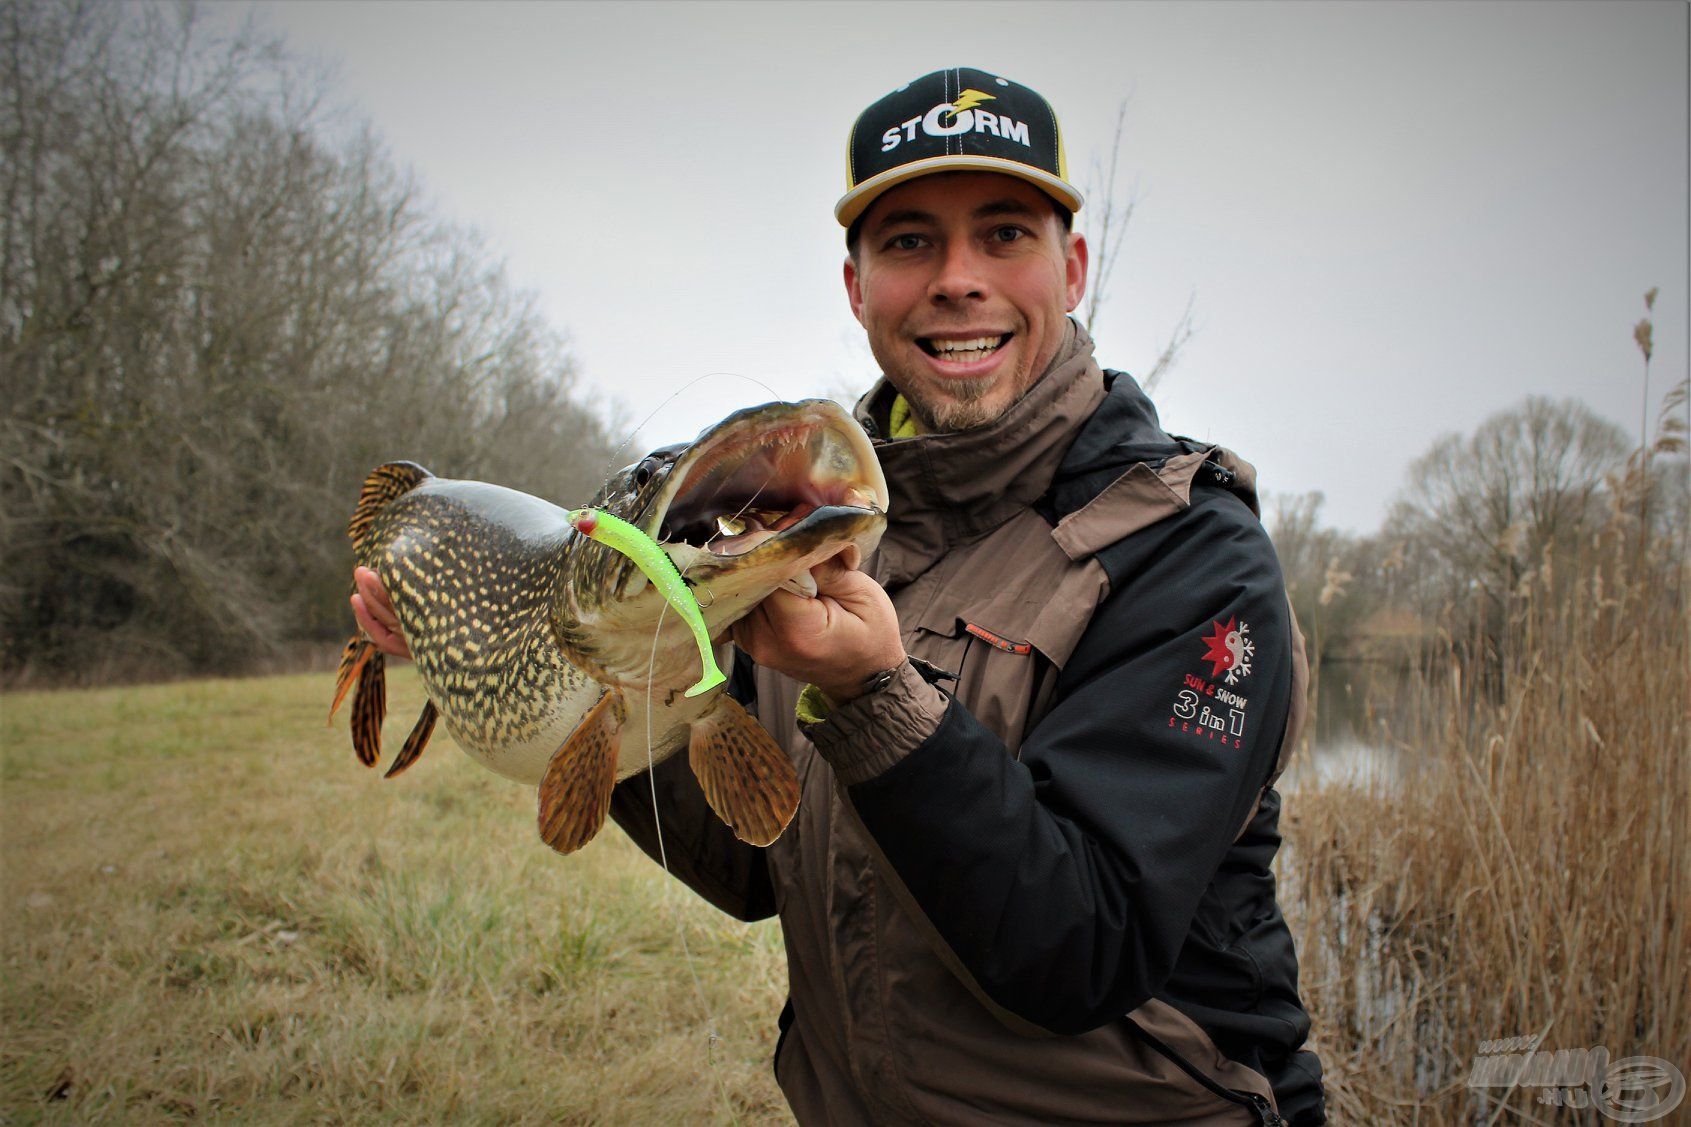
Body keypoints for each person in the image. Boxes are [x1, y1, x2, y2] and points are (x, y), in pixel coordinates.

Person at [353, 68, 1325, 1126]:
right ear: (857, 286)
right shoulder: (796, 542)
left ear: (1072, 266)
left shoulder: (1190, 556)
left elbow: (1082, 947)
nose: (958, 279)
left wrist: (875, 695)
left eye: (1003, 234)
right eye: (908, 241)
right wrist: (619, 685)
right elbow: (749, 867)